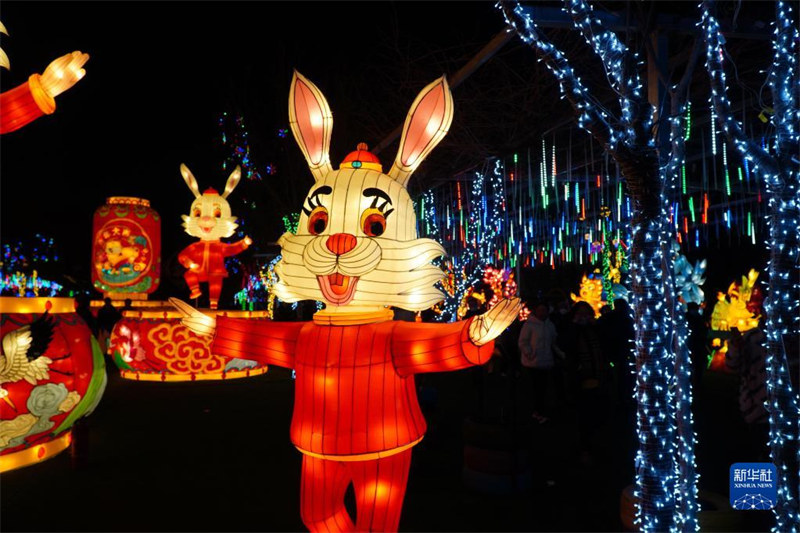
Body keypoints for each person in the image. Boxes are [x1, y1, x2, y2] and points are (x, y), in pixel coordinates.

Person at [562, 300, 609, 465]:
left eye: (586, 314)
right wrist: (575, 326)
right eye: (580, 314)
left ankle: (596, 446)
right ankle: (584, 448)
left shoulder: (595, 329)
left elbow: (606, 346)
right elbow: (567, 346)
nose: (584, 317)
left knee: (597, 415)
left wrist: (596, 325)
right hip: (580, 379)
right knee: (582, 417)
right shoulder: (571, 330)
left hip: (598, 377)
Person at [726, 325, 769, 461]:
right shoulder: (753, 337)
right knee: (758, 450)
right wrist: (736, 346)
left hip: (783, 408)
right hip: (756, 406)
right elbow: (733, 365)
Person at [517, 301, 561, 423]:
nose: (542, 312)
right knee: (535, 388)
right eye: (540, 310)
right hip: (532, 362)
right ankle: (535, 411)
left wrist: (558, 353)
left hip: (546, 361)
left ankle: (541, 410)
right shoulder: (529, 325)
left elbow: (553, 341)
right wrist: (529, 353)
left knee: (543, 388)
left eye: (544, 310)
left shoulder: (549, 325)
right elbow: (523, 342)